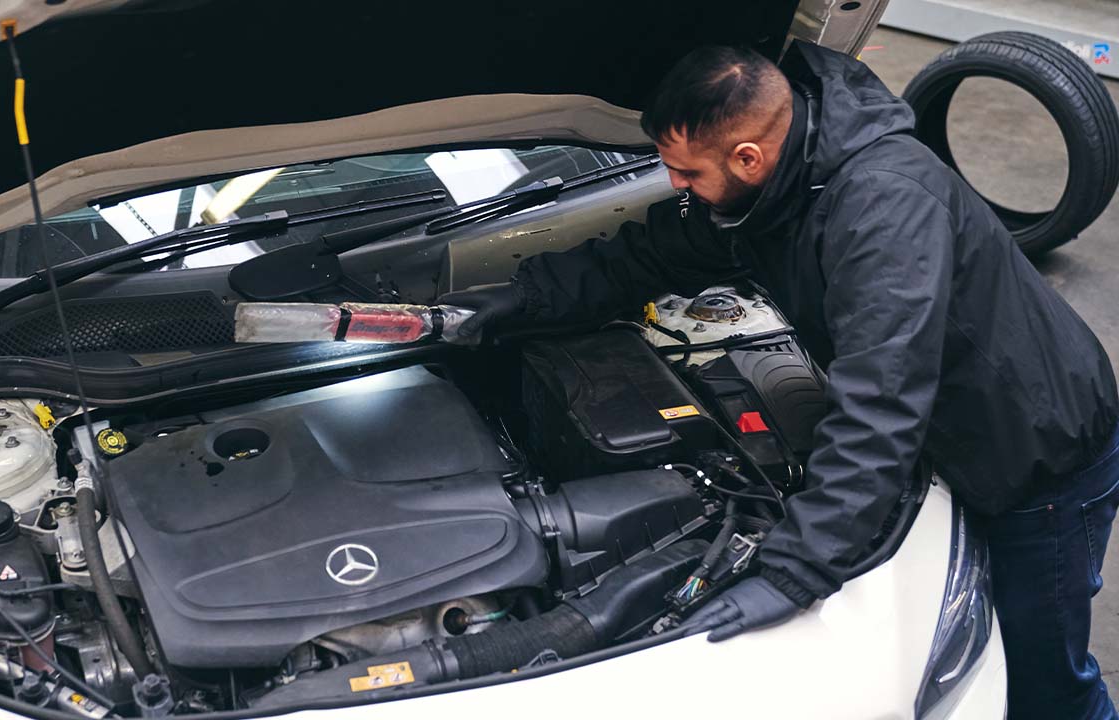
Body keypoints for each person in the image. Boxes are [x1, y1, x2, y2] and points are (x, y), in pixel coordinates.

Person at [439, 42, 1119, 718]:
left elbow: (880, 403)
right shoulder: (775, 186)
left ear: (747, 157)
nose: (674, 184)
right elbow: (649, 255)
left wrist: (795, 569)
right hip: (958, 432)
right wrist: (521, 300)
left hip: (1038, 453)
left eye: (684, 171)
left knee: (1042, 683)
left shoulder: (884, 209)